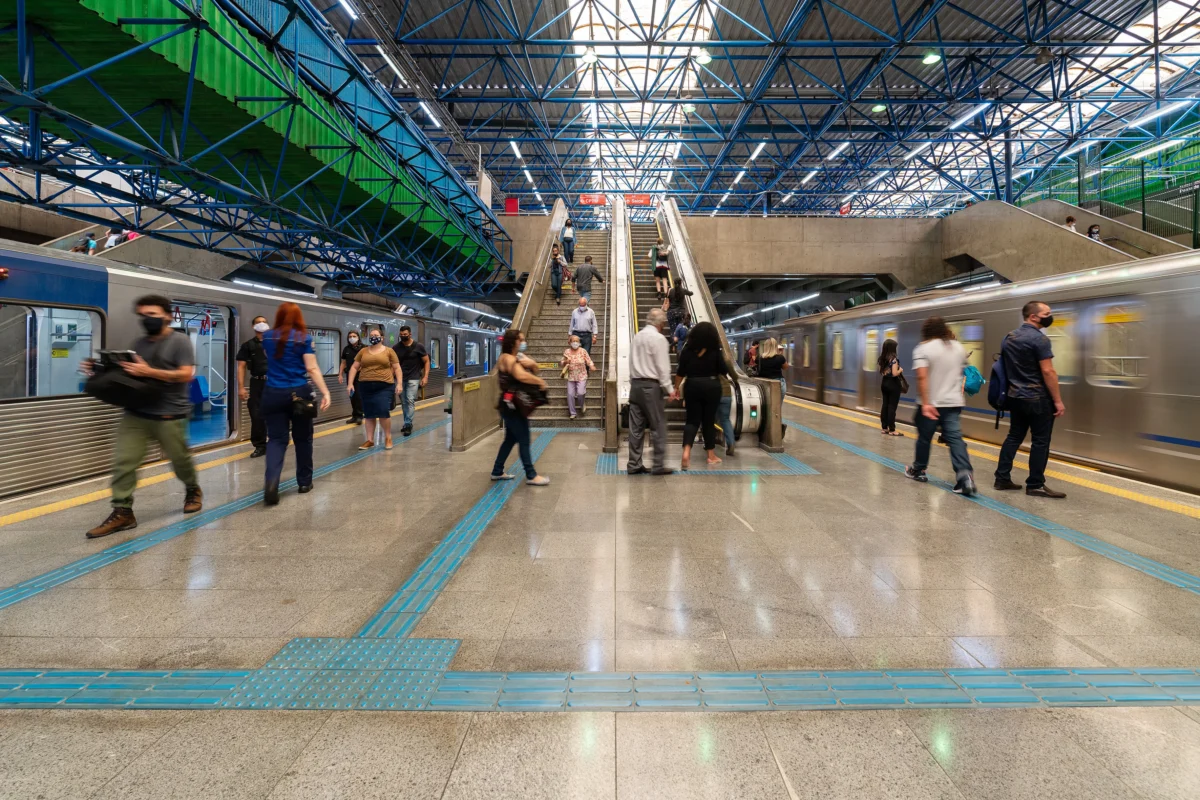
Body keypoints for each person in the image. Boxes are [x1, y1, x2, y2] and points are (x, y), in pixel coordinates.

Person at [85, 295, 203, 538]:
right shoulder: (139, 344)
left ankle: (192, 489)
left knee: (180, 460)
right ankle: (122, 511)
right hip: (137, 411)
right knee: (124, 461)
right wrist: (98, 370)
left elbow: (186, 375)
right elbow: (134, 374)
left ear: (167, 316)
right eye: (142, 315)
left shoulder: (179, 342)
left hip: (170, 413)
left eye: (152, 314)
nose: (146, 319)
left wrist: (149, 371)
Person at [260, 303, 332, 505]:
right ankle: (304, 482)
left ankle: (271, 483)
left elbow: (270, 358)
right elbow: (312, 368)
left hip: (273, 392)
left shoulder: (267, 337)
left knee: (276, 440)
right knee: (303, 439)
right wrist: (325, 392)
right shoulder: (303, 339)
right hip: (299, 392)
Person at [994, 301, 1067, 498]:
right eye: (1047, 313)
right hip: (1037, 398)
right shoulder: (1040, 339)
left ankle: (1002, 478)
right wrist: (1058, 400)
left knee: (1014, 437)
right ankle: (1035, 484)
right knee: (1040, 442)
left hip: (1015, 396)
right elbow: (1048, 371)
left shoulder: (1009, 337)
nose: (1050, 316)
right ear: (1033, 316)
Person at [904, 317, 976, 496]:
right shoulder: (958, 347)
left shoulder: (923, 349)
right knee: (955, 439)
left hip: (932, 403)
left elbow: (922, 377)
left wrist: (926, 403)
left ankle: (918, 469)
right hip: (953, 402)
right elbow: (961, 373)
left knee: (924, 438)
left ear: (926, 331)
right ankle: (965, 477)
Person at [491, 329, 550, 485]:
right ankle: (531, 475)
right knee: (524, 439)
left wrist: (533, 364)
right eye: (521, 340)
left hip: (509, 405)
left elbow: (534, 370)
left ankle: (497, 471)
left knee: (510, 439)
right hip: (513, 406)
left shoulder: (514, 357)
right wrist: (540, 382)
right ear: (513, 342)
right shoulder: (508, 358)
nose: (524, 342)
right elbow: (521, 376)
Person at [675, 321, 732, 470]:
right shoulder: (715, 350)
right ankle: (711, 456)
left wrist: (676, 388)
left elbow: (680, 372)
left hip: (692, 385)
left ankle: (686, 452)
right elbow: (723, 370)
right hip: (712, 386)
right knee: (708, 421)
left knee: (691, 421)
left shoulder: (687, 350)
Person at [628, 307, 677, 475]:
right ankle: (658, 465)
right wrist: (669, 389)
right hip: (651, 387)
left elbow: (631, 362)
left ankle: (634, 464)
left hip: (635, 386)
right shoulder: (659, 339)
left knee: (636, 429)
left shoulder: (637, 337)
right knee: (658, 426)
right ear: (661, 323)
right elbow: (663, 367)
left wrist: (632, 382)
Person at [346, 328, 402, 450]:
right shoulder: (363, 351)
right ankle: (370, 440)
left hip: (384, 386)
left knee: (383, 411)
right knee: (369, 414)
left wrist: (399, 384)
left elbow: (397, 368)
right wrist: (350, 383)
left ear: (382, 338)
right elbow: (354, 367)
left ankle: (388, 437)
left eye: (376, 335)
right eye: (371, 335)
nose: (373, 337)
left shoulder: (389, 351)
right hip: (365, 386)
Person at [235, 315, 271, 458]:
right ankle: (260, 446)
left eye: (264, 322)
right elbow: (241, 367)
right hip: (257, 383)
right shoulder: (248, 346)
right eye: (258, 322)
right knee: (256, 415)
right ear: (253, 326)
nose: (261, 324)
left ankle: (276, 441)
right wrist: (241, 387)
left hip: (275, 383)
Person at [392, 325, 429, 436]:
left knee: (410, 400)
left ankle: (408, 424)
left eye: (405, 334)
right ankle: (407, 422)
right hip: (400, 378)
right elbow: (393, 364)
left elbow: (426, 361)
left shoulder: (418, 346)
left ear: (410, 334)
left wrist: (425, 376)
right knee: (403, 402)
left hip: (414, 377)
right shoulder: (396, 348)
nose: (403, 336)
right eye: (401, 334)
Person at [560, 334, 595, 419]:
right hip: (571, 376)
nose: (575, 343)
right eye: (573, 341)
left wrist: (591, 366)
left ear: (579, 343)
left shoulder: (583, 351)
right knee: (570, 394)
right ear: (570, 342)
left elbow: (588, 360)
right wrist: (565, 362)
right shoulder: (567, 351)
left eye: (577, 341)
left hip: (581, 375)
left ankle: (582, 404)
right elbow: (561, 362)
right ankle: (573, 413)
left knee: (580, 393)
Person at [877, 338, 904, 437]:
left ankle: (884, 428)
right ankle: (892, 429)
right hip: (893, 384)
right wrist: (900, 370)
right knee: (892, 406)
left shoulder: (881, 359)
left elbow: (882, 372)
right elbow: (894, 373)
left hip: (884, 383)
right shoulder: (893, 359)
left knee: (885, 405)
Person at [339, 330, 365, 424]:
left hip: (361, 376)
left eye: (354, 336)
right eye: (350, 336)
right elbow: (343, 363)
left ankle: (360, 415)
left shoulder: (364, 348)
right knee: (352, 395)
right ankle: (354, 415)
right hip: (350, 376)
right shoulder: (346, 349)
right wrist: (340, 374)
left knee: (358, 395)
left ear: (358, 337)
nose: (352, 338)